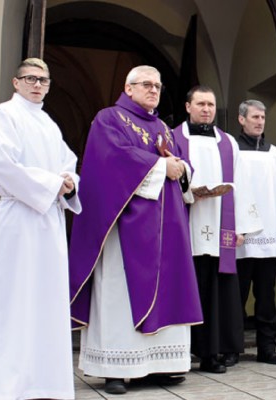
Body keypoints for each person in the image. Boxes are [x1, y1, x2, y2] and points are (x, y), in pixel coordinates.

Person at [68, 65, 203, 395]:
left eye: (157, 86)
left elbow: (181, 164)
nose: (154, 90)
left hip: (166, 228)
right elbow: (110, 160)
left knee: (168, 289)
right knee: (118, 293)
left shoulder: (163, 128)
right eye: (146, 84)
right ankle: (115, 368)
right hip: (123, 226)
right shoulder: (109, 119)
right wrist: (160, 166)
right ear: (128, 89)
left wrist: (180, 167)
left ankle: (159, 366)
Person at [0, 58, 80, 399]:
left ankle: (42, 380)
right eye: (30, 78)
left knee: (45, 300)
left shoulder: (48, 123)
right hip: (19, 219)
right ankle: (4, 381)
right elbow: (0, 166)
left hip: (49, 223)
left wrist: (70, 182)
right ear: (16, 83)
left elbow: (67, 164)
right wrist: (51, 184)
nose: (37, 84)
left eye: (43, 80)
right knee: (12, 298)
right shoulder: (2, 116)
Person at [173, 86, 262, 374]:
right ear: (188, 106)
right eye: (200, 104)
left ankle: (213, 354)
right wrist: (189, 192)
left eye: (210, 104)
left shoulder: (227, 143)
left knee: (216, 291)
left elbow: (242, 183)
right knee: (187, 287)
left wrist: (243, 228)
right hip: (186, 222)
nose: (206, 109)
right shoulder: (174, 138)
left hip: (220, 225)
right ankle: (179, 353)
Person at [232, 100, 276, 365]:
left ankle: (266, 348)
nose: (259, 121)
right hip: (241, 235)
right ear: (241, 119)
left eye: (263, 117)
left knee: (266, 294)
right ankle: (232, 348)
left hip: (269, 232)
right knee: (237, 294)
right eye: (255, 117)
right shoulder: (232, 150)